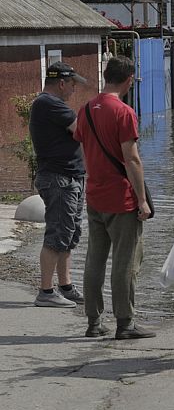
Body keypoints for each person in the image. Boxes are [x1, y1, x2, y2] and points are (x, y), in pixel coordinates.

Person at [74, 56, 156, 339]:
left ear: (106, 75)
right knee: (125, 262)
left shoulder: (85, 110)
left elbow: (82, 146)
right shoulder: (124, 112)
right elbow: (131, 159)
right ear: (129, 79)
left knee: (94, 259)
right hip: (120, 199)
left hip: (94, 195)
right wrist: (142, 199)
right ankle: (125, 322)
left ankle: (93, 322)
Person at [30, 62, 87, 308]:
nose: (74, 89)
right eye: (73, 84)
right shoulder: (49, 103)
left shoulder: (50, 105)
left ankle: (65, 285)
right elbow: (81, 131)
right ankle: (45, 291)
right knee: (58, 233)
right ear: (62, 83)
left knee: (70, 232)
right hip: (59, 179)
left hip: (69, 177)